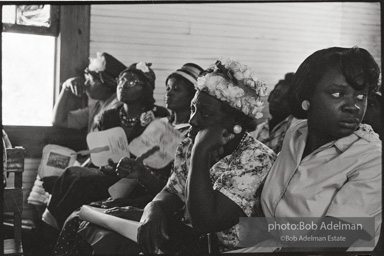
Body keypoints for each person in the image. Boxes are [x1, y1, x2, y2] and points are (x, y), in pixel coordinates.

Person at [77, 58, 276, 255]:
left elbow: (204, 222)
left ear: (234, 122)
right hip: (186, 238)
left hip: (225, 249)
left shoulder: (255, 159)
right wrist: (153, 209)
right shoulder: (190, 143)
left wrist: (200, 152)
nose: (192, 120)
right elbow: (172, 191)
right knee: (83, 223)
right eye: (193, 108)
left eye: (205, 114)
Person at [232, 46, 382, 253]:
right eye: (338, 93)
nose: (353, 106)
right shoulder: (296, 133)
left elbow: (335, 239)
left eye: (361, 96)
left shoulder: (371, 158)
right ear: (307, 98)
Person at [52, 62, 204, 256]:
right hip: (135, 188)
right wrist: (126, 169)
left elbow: (173, 188)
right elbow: (135, 161)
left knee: (80, 217)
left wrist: (135, 192)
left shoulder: (192, 136)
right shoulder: (160, 123)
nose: (169, 93)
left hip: (154, 200)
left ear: (193, 97)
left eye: (177, 89)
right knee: (77, 214)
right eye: (168, 88)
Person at [43, 62, 169, 232]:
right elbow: (101, 154)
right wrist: (99, 166)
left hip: (135, 179)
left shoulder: (159, 116)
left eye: (131, 82)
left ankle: (57, 230)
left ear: (146, 89)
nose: (123, 85)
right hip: (108, 171)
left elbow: (158, 159)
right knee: (70, 173)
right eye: (122, 80)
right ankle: (56, 228)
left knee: (79, 180)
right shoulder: (108, 116)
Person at [52, 52, 126, 133]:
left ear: (107, 84)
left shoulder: (117, 108)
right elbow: (59, 120)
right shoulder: (96, 107)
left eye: (91, 80)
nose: (86, 83)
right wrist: (66, 87)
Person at [249, 72, 295, 153]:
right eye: (276, 94)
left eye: (285, 98)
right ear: (269, 96)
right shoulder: (258, 130)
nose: (277, 101)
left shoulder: (294, 131)